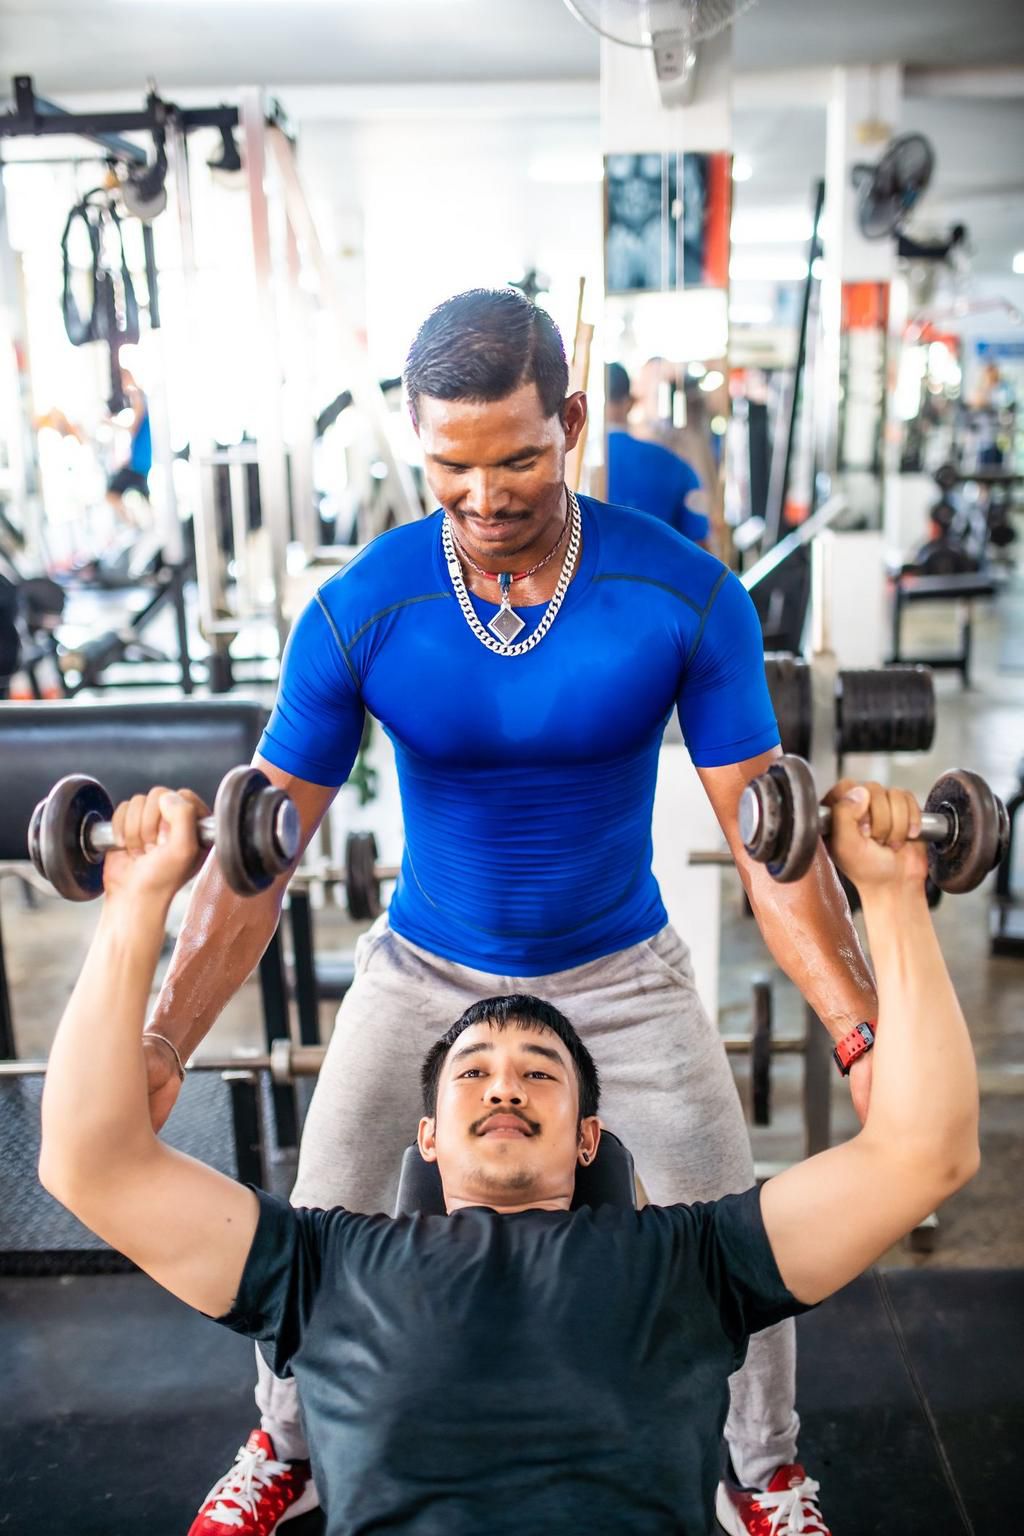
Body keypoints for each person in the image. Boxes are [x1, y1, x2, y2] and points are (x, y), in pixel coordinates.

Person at [141, 289, 882, 1534]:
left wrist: (865, 1036)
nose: (485, 497)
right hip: (422, 967)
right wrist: (159, 1041)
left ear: (573, 423)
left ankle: (762, 1472)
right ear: (417, 443)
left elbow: (772, 841)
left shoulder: (684, 597)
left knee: (725, 1211)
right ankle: (285, 1445)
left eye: (520, 458)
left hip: (624, 970)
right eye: (452, 467)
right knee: (323, 1201)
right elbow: (258, 855)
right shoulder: (362, 608)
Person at [39, 778, 980, 1536]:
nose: (502, 1086)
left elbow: (923, 1151)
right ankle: (280, 1457)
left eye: (539, 1072)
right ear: (428, 1138)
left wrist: (896, 898)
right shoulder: (324, 1268)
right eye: (473, 1072)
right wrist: (132, 903)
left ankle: (768, 1472)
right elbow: (90, 1162)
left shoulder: (690, 1262)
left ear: (587, 1139)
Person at [605, 360, 710, 544]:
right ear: (631, 402)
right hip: (659, 571)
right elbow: (700, 545)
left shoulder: (563, 469)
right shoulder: (676, 467)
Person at [105, 369, 152, 528]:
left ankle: (133, 525)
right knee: (144, 498)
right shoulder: (140, 398)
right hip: (140, 460)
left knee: (111, 495)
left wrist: (111, 423)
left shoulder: (138, 396)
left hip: (140, 461)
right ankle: (138, 525)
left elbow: (133, 428)